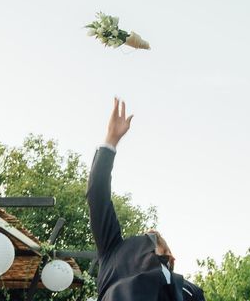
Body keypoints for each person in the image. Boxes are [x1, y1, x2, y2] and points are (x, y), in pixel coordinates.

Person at [87, 98, 205, 301]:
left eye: (154, 240)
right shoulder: (113, 250)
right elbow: (98, 197)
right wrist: (110, 141)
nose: (150, 233)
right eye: (146, 239)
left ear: (170, 258)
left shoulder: (189, 291)